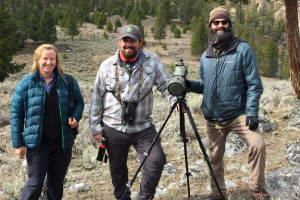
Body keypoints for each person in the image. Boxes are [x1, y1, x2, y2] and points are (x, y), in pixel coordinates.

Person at [186, 6, 270, 200]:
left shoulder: (243, 49)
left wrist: (251, 113)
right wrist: (190, 85)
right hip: (213, 118)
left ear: (229, 24)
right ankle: (218, 193)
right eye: (216, 22)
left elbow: (254, 85)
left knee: (257, 144)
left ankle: (256, 188)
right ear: (211, 26)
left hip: (239, 114)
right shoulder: (205, 56)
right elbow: (206, 86)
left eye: (224, 22)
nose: (220, 25)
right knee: (214, 159)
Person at [89, 24, 173, 200]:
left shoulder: (153, 60)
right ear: (119, 42)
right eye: (125, 41)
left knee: (156, 161)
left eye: (133, 41)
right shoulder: (106, 66)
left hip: (143, 127)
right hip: (113, 126)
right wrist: (95, 127)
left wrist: (175, 100)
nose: (128, 45)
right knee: (117, 168)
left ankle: (145, 197)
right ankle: (123, 197)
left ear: (140, 42)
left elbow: (165, 85)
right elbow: (97, 96)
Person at [10, 44, 84, 200]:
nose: (49, 62)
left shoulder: (68, 81)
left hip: (61, 144)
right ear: (37, 60)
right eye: (45, 58)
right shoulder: (26, 83)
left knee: (55, 185)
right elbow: (17, 114)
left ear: (57, 61)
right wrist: (17, 144)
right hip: (37, 145)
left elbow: (79, 102)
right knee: (35, 183)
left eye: (52, 59)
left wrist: (76, 117)